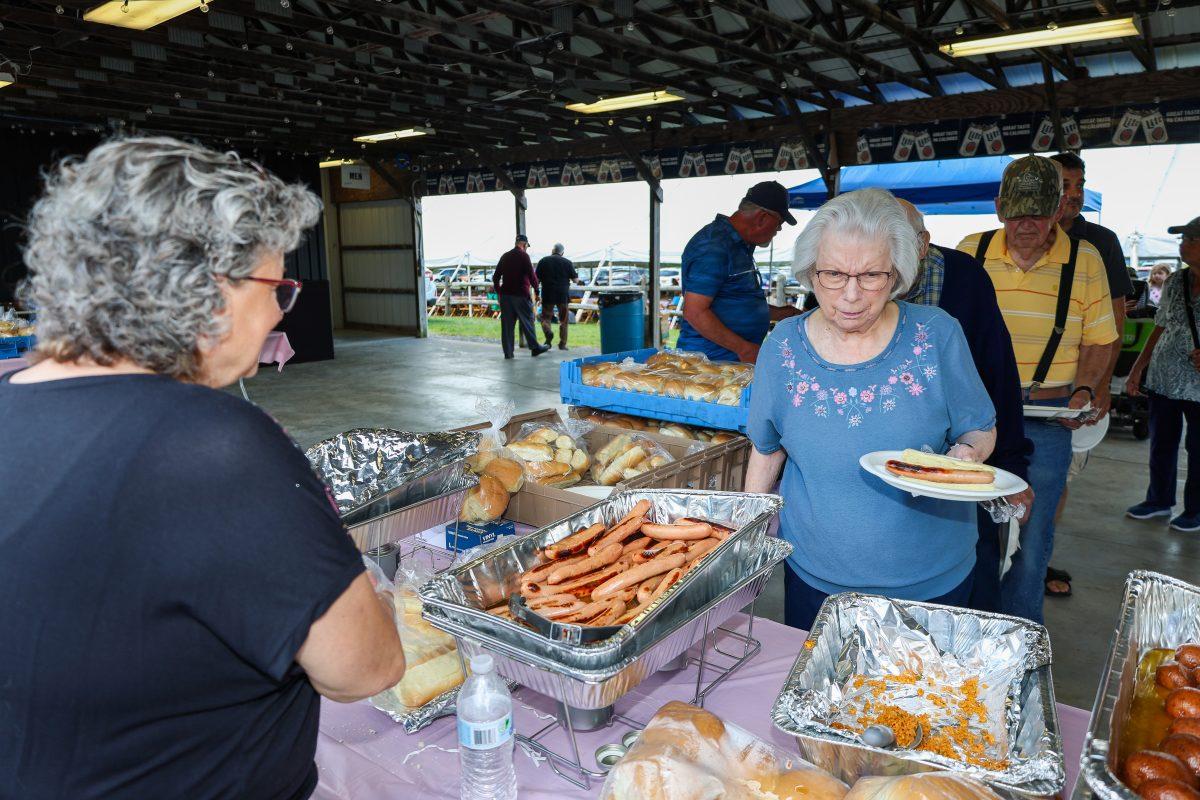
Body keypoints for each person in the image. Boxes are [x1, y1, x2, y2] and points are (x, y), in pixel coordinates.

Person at [0, 137, 407, 798]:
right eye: (277, 287)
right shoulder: (211, 447)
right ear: (214, 292)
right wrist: (377, 595)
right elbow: (364, 667)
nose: (280, 311)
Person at [745, 189, 998, 632]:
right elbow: (767, 451)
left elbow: (979, 427)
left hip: (932, 583)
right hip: (817, 578)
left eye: (872, 275)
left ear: (898, 272)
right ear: (810, 271)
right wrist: (746, 537)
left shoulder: (938, 334)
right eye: (834, 274)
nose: (851, 294)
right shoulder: (782, 345)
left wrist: (968, 456)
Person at [956, 155, 1118, 624]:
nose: (1026, 225)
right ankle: (971, 620)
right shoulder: (972, 250)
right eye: (1015, 213)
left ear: (1059, 209)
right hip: (978, 411)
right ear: (998, 208)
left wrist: (1086, 389)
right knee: (972, 523)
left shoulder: (1084, 260)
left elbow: (1098, 336)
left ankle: (1021, 630)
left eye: (1037, 214)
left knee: (1034, 530)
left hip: (1048, 414)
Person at [895, 200, 1031, 613]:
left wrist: (1014, 466)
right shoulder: (853, 281)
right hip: (890, 459)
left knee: (972, 571)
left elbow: (997, 371)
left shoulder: (964, 276)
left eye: (900, 240)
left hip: (965, 449)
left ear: (922, 243)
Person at [1045, 152, 1132, 597]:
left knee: (1057, 477)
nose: (1075, 194)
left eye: (1080, 185)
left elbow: (1114, 321)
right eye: (1065, 185)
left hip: (1075, 388)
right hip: (1016, 386)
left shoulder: (1100, 241)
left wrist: (1100, 388)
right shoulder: (1005, 239)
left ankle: (1036, 560)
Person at [1125, 217, 1200, 532]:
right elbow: (1160, 325)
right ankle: (1158, 500)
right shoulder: (1175, 281)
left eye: (1189, 239)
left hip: (1197, 385)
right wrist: (1138, 367)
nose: (1182, 245)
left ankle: (1195, 510)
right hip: (1164, 377)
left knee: (1197, 448)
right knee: (1162, 442)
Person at [678, 181, 803, 363]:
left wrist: (780, 313)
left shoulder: (740, 246)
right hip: (710, 363)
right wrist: (743, 348)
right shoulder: (714, 246)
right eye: (779, 222)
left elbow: (735, 301)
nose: (779, 229)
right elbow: (695, 311)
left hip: (729, 361)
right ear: (762, 218)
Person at [492, 234, 550, 359]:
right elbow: (531, 275)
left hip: (506, 296)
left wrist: (499, 292)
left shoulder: (505, 256)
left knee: (507, 326)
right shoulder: (524, 256)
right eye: (527, 246)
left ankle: (508, 353)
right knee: (527, 321)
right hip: (520, 295)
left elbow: (495, 277)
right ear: (524, 245)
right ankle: (534, 348)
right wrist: (537, 290)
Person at [536, 242, 577, 350]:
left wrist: (536, 293)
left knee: (545, 318)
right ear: (562, 252)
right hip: (562, 294)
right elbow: (575, 280)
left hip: (548, 293)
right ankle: (562, 344)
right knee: (563, 319)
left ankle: (548, 336)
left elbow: (536, 279)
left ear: (552, 250)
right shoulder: (567, 262)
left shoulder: (543, 261)